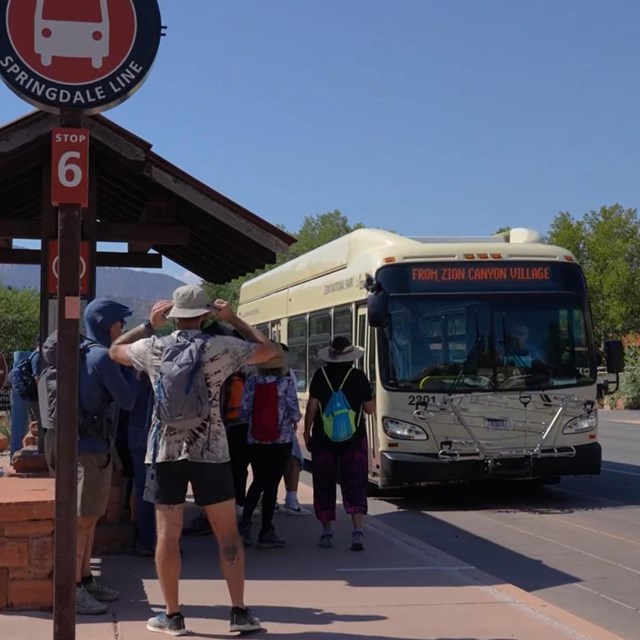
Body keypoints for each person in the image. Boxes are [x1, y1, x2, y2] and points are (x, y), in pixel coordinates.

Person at [109, 284, 279, 636]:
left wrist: (148, 325)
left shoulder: (154, 347)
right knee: (227, 536)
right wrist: (233, 319)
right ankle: (239, 613)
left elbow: (114, 350)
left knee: (167, 536)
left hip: (164, 452)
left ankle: (172, 616)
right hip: (211, 451)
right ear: (204, 315)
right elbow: (271, 352)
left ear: (173, 317)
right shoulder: (221, 346)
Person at [46, 298, 138, 615]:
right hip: (89, 452)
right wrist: (131, 367)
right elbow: (127, 401)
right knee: (82, 523)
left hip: (82, 448)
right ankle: (72, 591)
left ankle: (85, 579)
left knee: (88, 519)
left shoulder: (86, 351)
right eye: (119, 323)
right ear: (106, 324)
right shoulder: (103, 357)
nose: (123, 329)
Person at [303, 336, 375, 551]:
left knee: (324, 483)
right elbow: (370, 409)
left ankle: (327, 532)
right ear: (351, 358)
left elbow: (311, 408)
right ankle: (357, 531)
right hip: (354, 440)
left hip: (324, 440)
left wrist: (307, 433)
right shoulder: (359, 377)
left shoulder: (320, 376)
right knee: (355, 482)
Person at [238, 351, 301, 548]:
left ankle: (245, 524)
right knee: (272, 484)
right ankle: (266, 531)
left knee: (258, 481)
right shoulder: (286, 382)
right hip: (280, 440)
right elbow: (294, 412)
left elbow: (244, 411)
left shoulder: (251, 382)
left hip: (255, 439)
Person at [127, 371, 156, 556]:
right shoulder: (162, 385)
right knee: (163, 491)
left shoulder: (134, 386)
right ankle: (161, 539)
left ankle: (145, 540)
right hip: (155, 436)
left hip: (135, 433)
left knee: (142, 489)